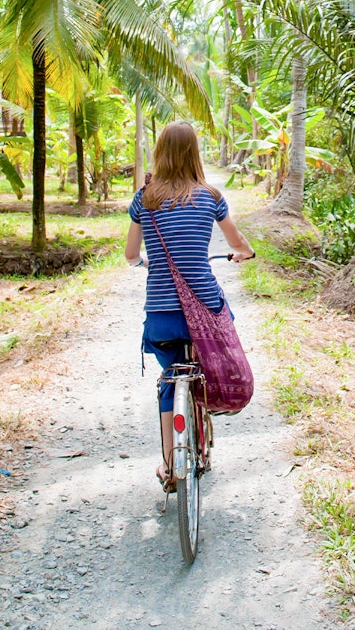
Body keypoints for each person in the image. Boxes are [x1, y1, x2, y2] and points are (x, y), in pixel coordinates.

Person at [124, 121, 254, 492]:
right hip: (205, 311)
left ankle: (169, 465)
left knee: (170, 378)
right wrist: (242, 253)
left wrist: (142, 264)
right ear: (194, 153)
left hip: (162, 316)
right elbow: (238, 241)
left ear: (160, 154)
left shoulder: (143, 198)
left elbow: (131, 255)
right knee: (207, 358)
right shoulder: (211, 197)